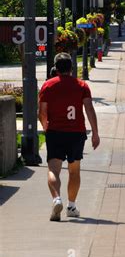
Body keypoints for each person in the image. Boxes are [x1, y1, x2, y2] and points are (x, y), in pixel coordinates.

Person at [38, 52, 100, 221]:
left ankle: (57, 198)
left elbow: (42, 111)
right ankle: (71, 206)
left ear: (56, 69)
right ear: (71, 68)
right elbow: (89, 109)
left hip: (56, 132)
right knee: (74, 171)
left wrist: (46, 127)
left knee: (53, 169)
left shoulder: (48, 86)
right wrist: (95, 132)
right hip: (76, 133)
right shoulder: (82, 86)